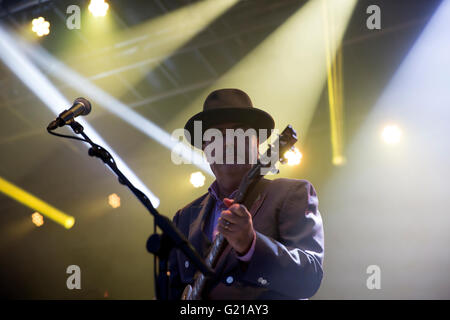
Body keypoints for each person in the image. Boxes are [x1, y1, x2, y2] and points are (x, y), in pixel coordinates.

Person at [168, 88, 324, 300]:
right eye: (217, 135)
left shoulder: (291, 193)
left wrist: (251, 245)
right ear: (205, 148)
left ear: (257, 143)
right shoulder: (184, 217)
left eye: (239, 133)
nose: (228, 142)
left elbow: (309, 278)